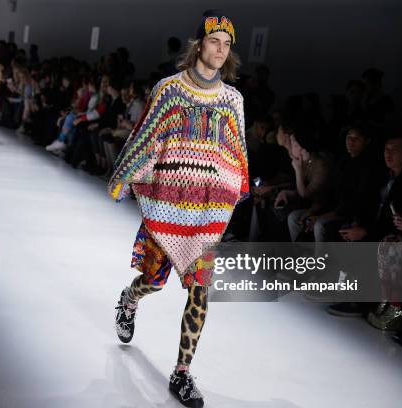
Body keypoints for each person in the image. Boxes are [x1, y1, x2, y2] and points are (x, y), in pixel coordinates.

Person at [108, 10, 248, 408]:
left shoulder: (233, 100)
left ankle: (182, 373)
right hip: (168, 209)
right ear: (199, 44)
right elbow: (146, 136)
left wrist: (234, 189)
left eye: (226, 44)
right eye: (214, 42)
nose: (220, 50)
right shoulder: (169, 90)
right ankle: (128, 299)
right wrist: (124, 175)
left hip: (207, 215)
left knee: (200, 294)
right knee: (152, 282)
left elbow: (236, 152)